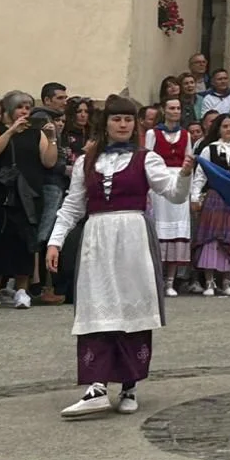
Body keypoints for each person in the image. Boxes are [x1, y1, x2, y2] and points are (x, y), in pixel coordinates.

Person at [47, 94, 193, 418]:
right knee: (97, 304)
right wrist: (55, 242)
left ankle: (129, 386)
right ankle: (97, 386)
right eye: (117, 119)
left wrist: (184, 175)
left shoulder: (146, 159)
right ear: (106, 123)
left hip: (133, 239)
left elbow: (174, 194)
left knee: (131, 306)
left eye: (128, 119)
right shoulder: (87, 161)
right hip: (97, 238)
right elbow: (72, 205)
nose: (123, 124)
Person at [0, 91, 57, 311]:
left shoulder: (36, 133)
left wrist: (52, 138)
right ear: (10, 110)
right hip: (2, 194)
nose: (24, 111)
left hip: (29, 194)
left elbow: (49, 162)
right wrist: (11, 131)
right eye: (20, 107)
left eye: (28, 107)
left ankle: (22, 289)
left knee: (25, 242)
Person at [191, 113, 230, 296]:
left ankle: (226, 282)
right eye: (225, 126)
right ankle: (209, 282)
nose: (228, 129)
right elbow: (200, 175)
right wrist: (195, 197)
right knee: (211, 239)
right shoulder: (209, 149)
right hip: (214, 198)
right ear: (218, 129)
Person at [146, 98, 194, 296]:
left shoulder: (185, 134)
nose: (175, 111)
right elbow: (147, 160)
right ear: (164, 111)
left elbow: (189, 162)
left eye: (178, 108)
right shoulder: (153, 133)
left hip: (180, 181)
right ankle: (156, 279)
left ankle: (170, 281)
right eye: (172, 108)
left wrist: (189, 188)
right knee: (160, 229)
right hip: (160, 182)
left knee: (177, 231)